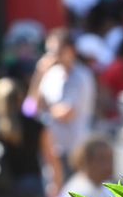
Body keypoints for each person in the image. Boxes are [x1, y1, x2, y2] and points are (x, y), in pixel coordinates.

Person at [33, 30, 97, 174]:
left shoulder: (82, 76)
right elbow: (31, 107)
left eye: (57, 50)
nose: (52, 56)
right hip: (52, 151)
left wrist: (43, 114)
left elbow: (66, 113)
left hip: (75, 152)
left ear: (70, 51)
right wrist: (39, 74)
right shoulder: (50, 75)